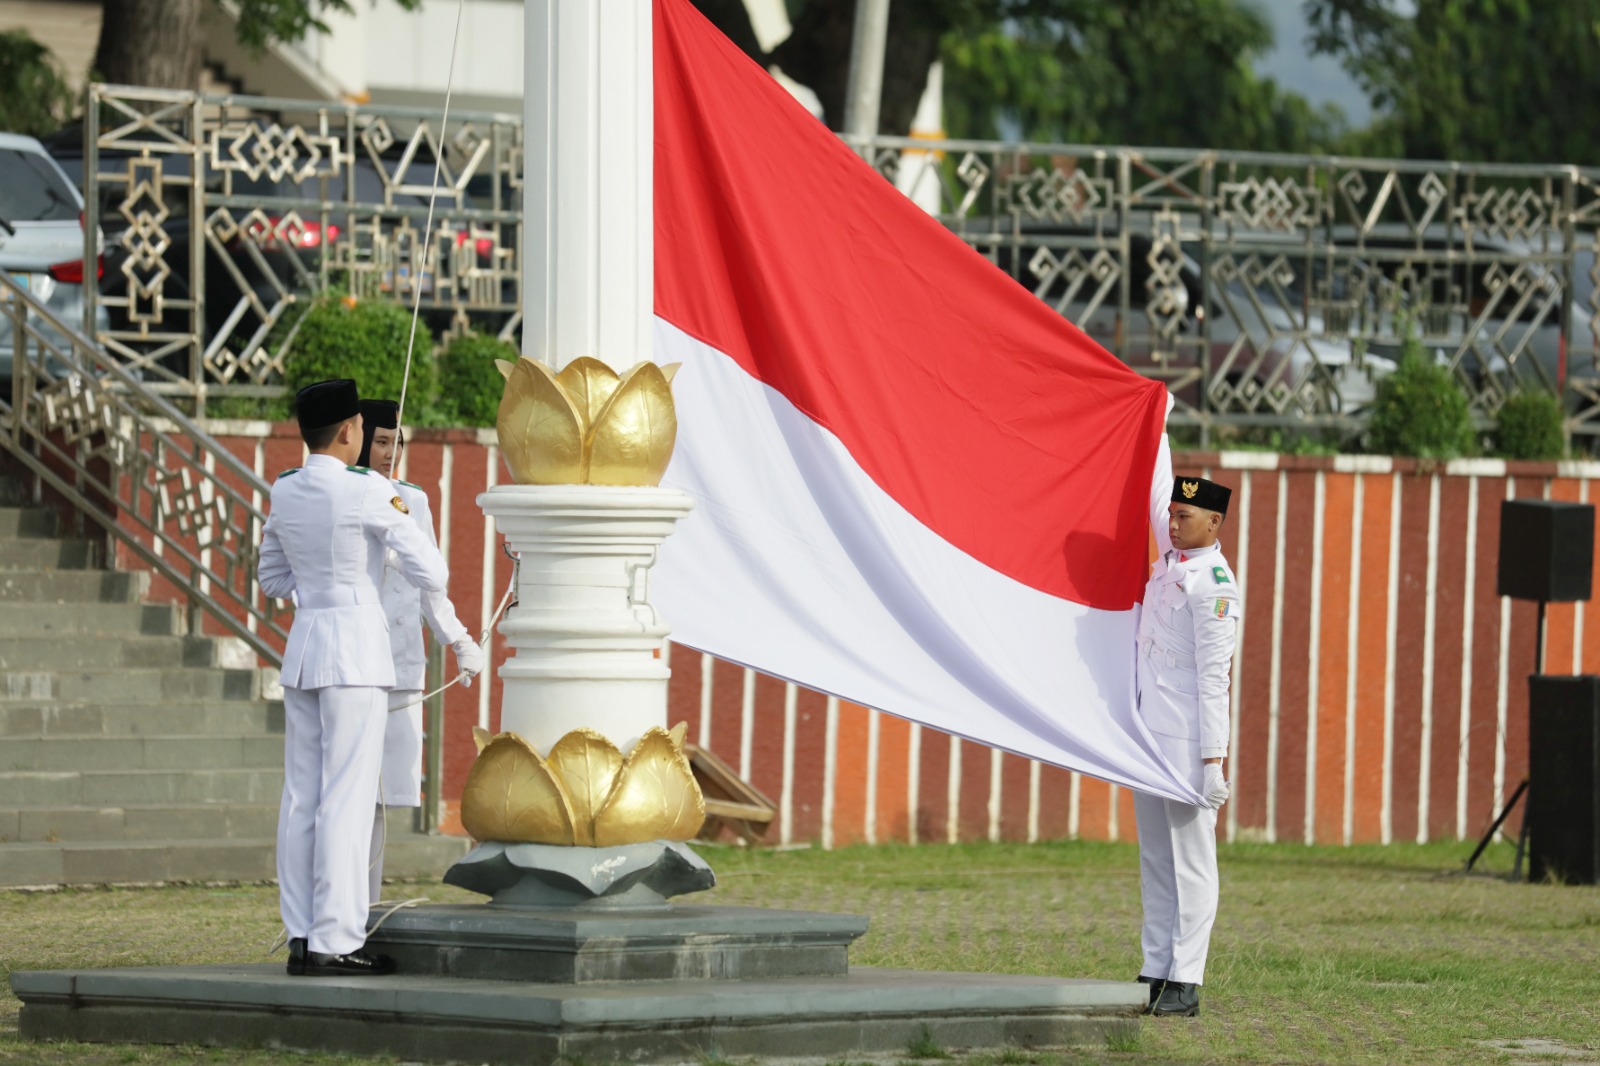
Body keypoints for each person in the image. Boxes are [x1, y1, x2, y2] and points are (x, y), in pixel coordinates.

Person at [257, 379, 449, 977]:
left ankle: (301, 933)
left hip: (306, 648)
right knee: (346, 798)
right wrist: (372, 570)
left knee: (302, 800)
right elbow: (432, 570)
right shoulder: (368, 490)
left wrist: (318, 592)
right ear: (348, 430)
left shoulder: (285, 489)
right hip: (358, 655)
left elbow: (271, 576)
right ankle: (336, 940)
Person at [355, 398, 484, 902]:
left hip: (403, 663)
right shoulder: (343, 495)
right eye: (380, 442)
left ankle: (366, 901)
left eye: (396, 442)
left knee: (384, 798)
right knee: (353, 792)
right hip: (357, 660)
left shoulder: (414, 500)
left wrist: (458, 639)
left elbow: (432, 587)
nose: (390, 452)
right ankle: (345, 906)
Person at [1133, 475, 1240, 1017]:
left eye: (1185, 518)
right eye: (1172, 515)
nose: (1172, 525)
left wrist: (1212, 761)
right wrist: (1158, 419)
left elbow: (1214, 680)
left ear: (1215, 523)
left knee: (1191, 862)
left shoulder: (1213, 584)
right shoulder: (1169, 565)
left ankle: (1186, 979)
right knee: (1155, 858)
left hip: (1187, 742)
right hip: (1151, 734)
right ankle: (1155, 969)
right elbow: (1154, 490)